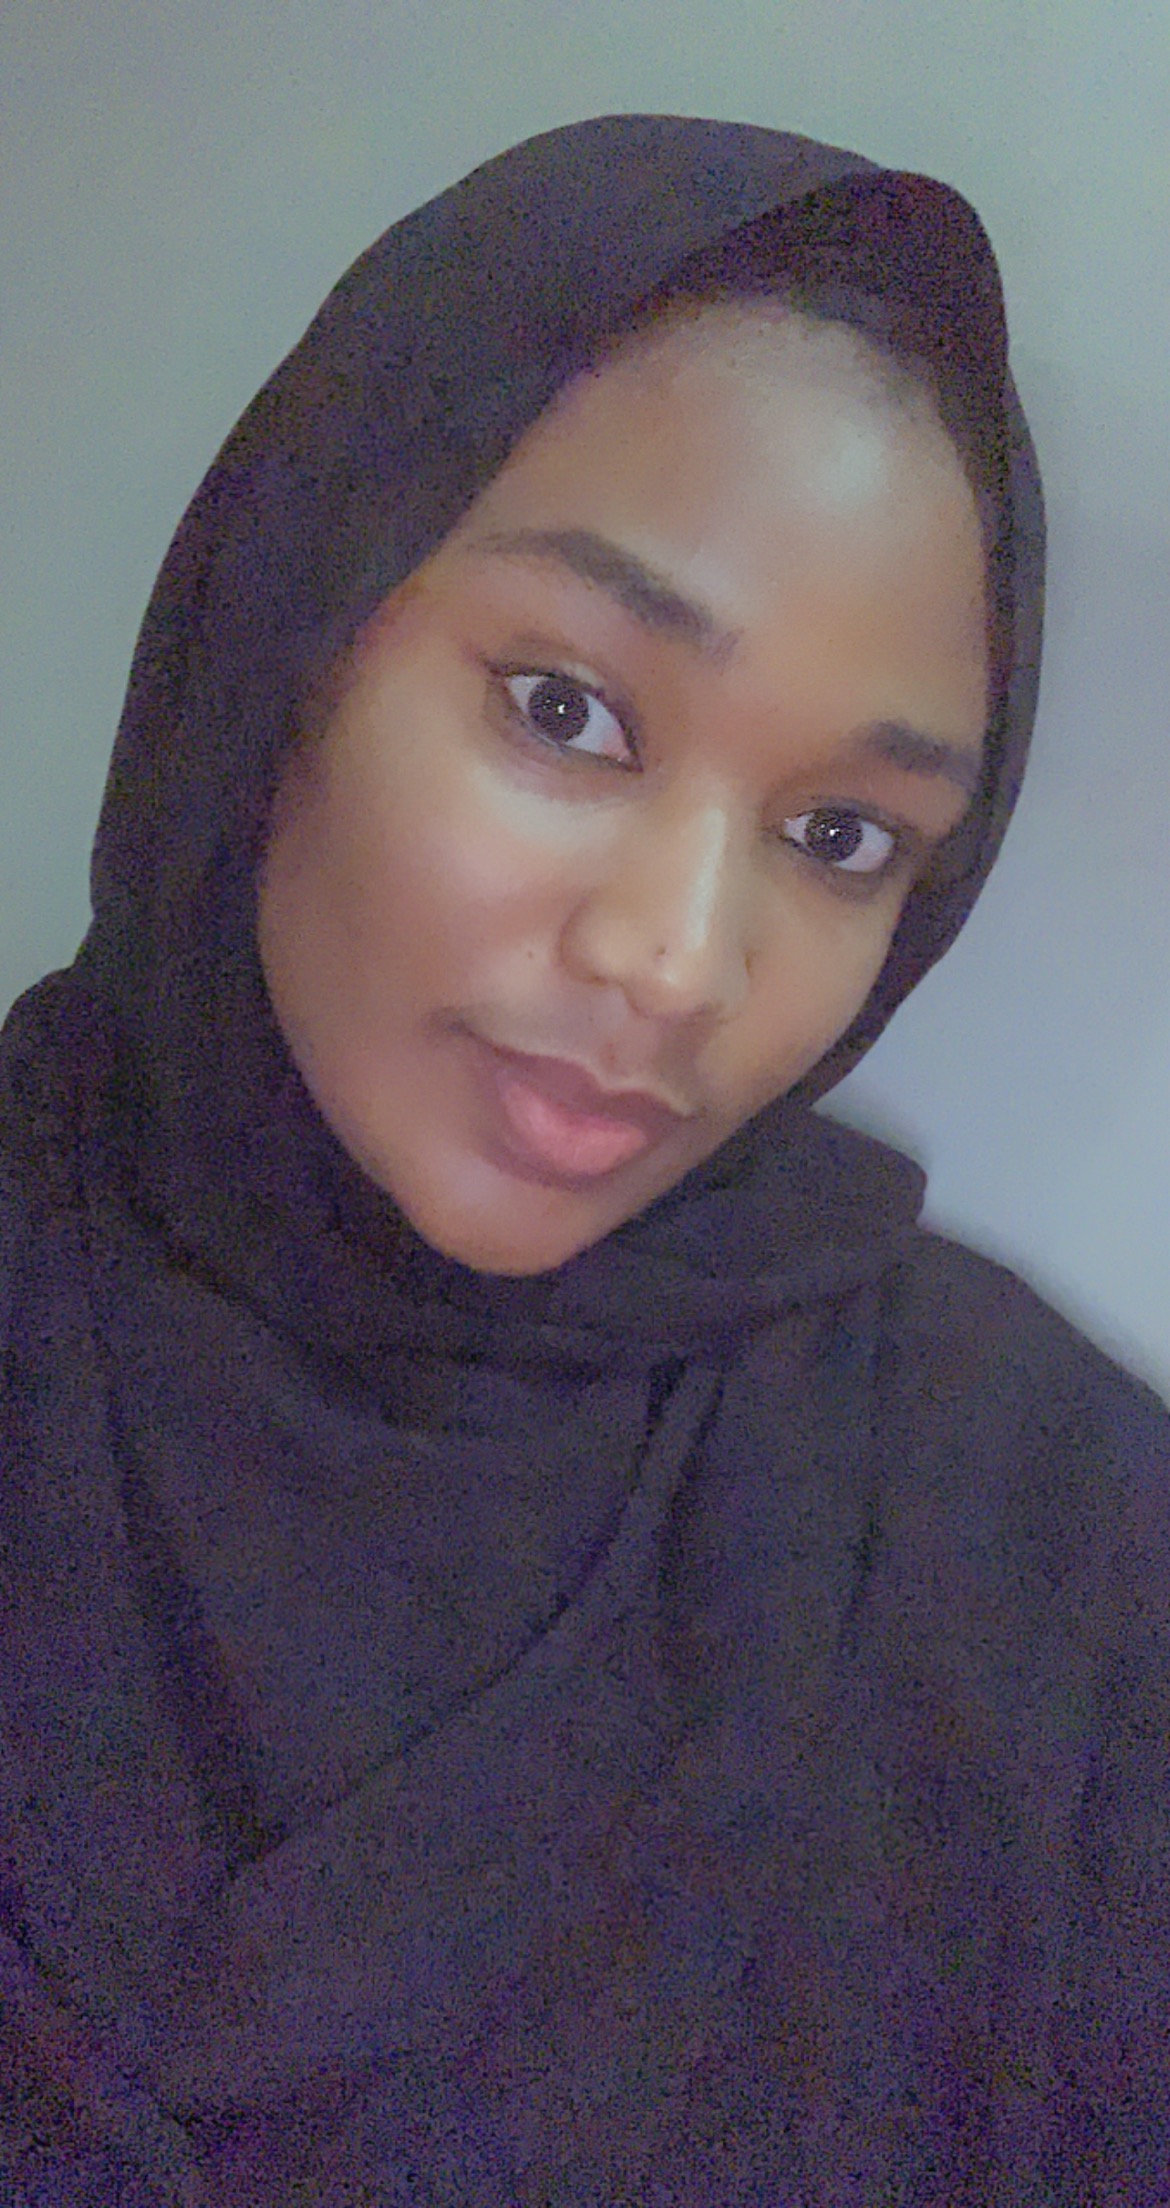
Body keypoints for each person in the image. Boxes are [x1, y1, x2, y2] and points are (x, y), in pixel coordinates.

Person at [1, 111, 1167, 2206]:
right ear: (290, 644)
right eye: (565, 710)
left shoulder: (1063, 1548)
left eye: (839, 838)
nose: (679, 961)